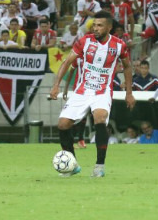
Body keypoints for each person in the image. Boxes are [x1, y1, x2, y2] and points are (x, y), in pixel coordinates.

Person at [49, 10, 135, 178]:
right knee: (63, 124)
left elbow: (127, 67)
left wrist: (129, 93)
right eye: (94, 25)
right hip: (82, 90)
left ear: (109, 27)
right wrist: (56, 85)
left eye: (99, 25)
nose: (95, 28)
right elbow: (68, 62)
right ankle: (72, 165)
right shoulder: (84, 41)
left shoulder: (119, 45)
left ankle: (99, 166)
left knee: (100, 118)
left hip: (102, 91)